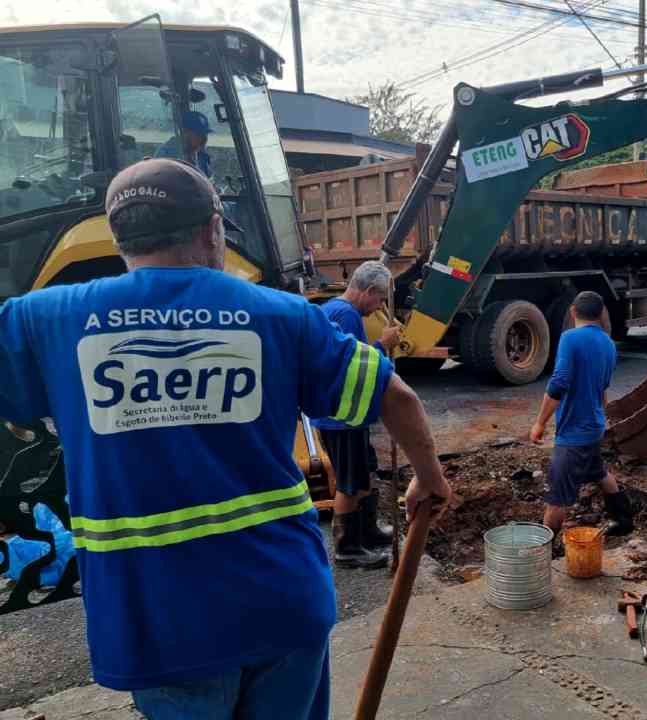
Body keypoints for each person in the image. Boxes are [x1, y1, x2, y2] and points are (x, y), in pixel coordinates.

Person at [0, 158, 451, 719]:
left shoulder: (42, 319)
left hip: (159, 622)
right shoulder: (283, 315)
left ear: (118, 236)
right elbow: (399, 397)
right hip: (282, 601)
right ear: (213, 229)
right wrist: (429, 481)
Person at [312, 261, 402, 569]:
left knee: (365, 473)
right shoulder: (346, 315)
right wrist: (382, 345)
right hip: (343, 416)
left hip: (346, 414)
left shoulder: (333, 311)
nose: (378, 307)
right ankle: (347, 547)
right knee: (351, 482)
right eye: (378, 300)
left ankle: (367, 531)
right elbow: (353, 367)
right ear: (366, 291)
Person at [529, 291, 633, 537]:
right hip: (593, 426)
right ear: (600, 314)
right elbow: (603, 387)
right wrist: (603, 417)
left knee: (557, 497)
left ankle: (545, 551)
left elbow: (559, 382)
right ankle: (624, 521)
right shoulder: (608, 343)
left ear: (573, 311)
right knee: (598, 472)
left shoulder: (570, 338)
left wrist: (539, 423)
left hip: (574, 433)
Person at [155, 110, 213, 178]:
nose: (204, 139)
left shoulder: (201, 156)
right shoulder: (166, 155)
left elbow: (209, 181)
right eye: (199, 134)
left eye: (205, 134)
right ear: (185, 132)